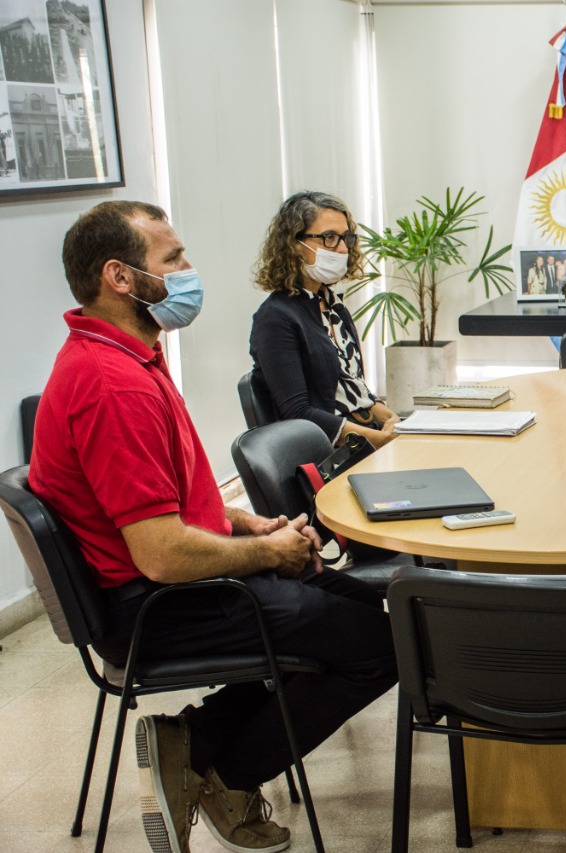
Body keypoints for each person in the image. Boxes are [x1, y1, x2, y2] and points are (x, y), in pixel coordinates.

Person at [30, 201, 399, 852]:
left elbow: (160, 500)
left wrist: (246, 524)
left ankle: (189, 741)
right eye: (172, 259)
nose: (188, 270)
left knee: (362, 608)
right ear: (120, 277)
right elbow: (162, 553)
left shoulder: (130, 355)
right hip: (153, 604)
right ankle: (225, 776)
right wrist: (264, 554)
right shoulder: (111, 383)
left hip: (165, 581)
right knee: (380, 647)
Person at [249, 190, 399, 448]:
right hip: (329, 453)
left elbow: (352, 387)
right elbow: (298, 413)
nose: (342, 248)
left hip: (364, 436)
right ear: (294, 244)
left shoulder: (333, 305)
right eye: (329, 237)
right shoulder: (275, 318)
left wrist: (391, 417)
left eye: (345, 238)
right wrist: (379, 439)